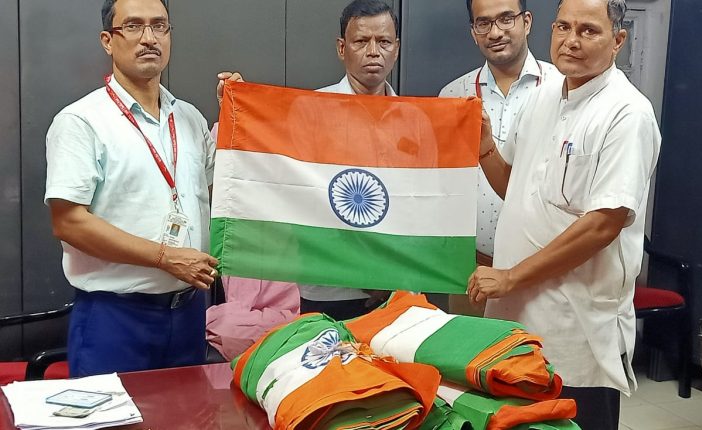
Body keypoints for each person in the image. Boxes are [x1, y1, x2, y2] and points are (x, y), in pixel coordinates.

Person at [466, 0, 660, 428]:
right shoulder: (545, 96)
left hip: (575, 327)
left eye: (588, 30)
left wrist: (511, 276)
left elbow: (602, 225)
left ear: (618, 40)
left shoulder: (626, 113)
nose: (571, 40)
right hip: (516, 320)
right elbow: (516, 189)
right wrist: (484, 147)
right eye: (563, 27)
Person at [45, 0, 218, 377]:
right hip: (116, 317)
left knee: (188, 410)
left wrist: (239, 117)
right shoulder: (81, 121)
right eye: (134, 26)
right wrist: (165, 257)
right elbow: (68, 222)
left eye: (159, 26)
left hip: (189, 313)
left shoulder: (189, 117)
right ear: (108, 40)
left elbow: (217, 189)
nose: (149, 38)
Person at [217, 0, 404, 321]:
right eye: (361, 41)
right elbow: (293, 191)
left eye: (384, 41)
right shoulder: (310, 111)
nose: (374, 52)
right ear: (342, 48)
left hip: (399, 287)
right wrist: (241, 110)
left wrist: (392, 278)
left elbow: (418, 203)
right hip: (329, 288)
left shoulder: (416, 119)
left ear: (397, 48)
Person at [439, 0, 559, 315]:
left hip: (541, 272)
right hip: (471, 271)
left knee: (532, 348)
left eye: (506, 19)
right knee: (470, 347)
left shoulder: (561, 88)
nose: (495, 32)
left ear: (527, 22)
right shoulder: (453, 95)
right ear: (473, 32)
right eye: (484, 23)